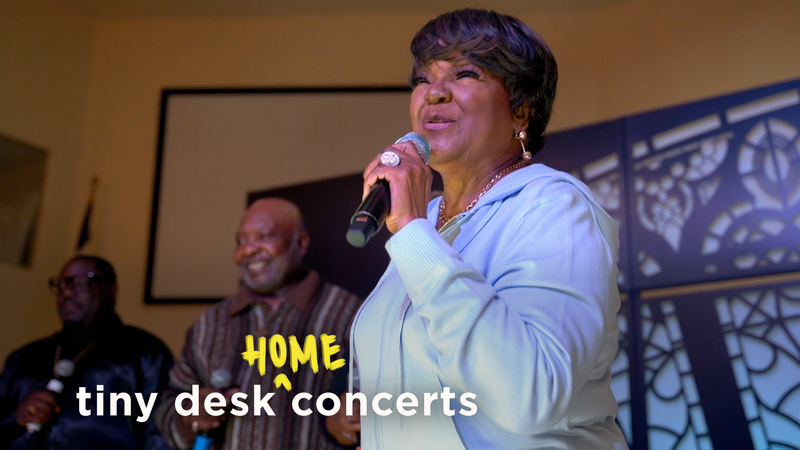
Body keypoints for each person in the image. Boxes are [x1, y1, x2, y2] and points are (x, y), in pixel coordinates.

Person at [351, 8, 628, 449]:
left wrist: (409, 231)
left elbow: (530, 397)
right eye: (423, 79)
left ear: (522, 108)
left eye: (464, 73)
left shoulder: (553, 205)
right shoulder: (428, 220)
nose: (434, 94)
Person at [156, 198, 363, 449]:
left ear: (301, 243)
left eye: (264, 236)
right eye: (241, 241)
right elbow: (165, 406)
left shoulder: (350, 314)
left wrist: (348, 425)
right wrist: (188, 413)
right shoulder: (210, 324)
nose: (248, 250)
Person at [0, 255, 174, 449]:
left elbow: (161, 432)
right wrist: (14, 417)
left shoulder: (144, 351)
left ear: (111, 290)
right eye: (61, 284)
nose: (66, 293)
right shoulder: (24, 357)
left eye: (80, 283)